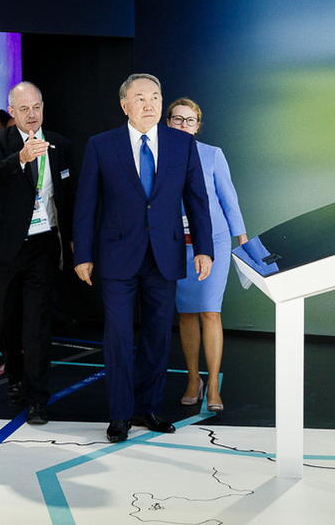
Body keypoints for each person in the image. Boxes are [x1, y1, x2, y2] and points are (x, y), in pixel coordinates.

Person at [72, 73, 213, 443]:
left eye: (155, 97)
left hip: (165, 254)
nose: (149, 104)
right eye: (140, 98)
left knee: (156, 336)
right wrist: (82, 254)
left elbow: (197, 199)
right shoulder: (102, 145)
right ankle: (119, 414)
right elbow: (86, 205)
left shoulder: (182, 143)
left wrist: (203, 248)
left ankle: (147, 407)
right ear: (125, 105)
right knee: (117, 336)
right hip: (118, 255)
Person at [0, 82, 74, 425]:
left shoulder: (61, 145)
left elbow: (67, 197)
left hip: (43, 245)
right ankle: (15, 376)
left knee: (37, 325)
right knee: (6, 320)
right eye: (24, 109)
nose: (32, 114)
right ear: (12, 112)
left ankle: (37, 398)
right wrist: (20, 158)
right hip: (5, 246)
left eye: (36, 107)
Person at [166, 98, 247, 412]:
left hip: (213, 243)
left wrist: (242, 241)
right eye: (177, 119)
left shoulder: (213, 155)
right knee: (186, 314)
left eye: (190, 120)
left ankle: (213, 383)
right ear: (168, 123)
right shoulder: (158, 155)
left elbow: (230, 201)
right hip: (176, 245)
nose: (184, 125)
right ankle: (192, 379)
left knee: (211, 312)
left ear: (198, 125)